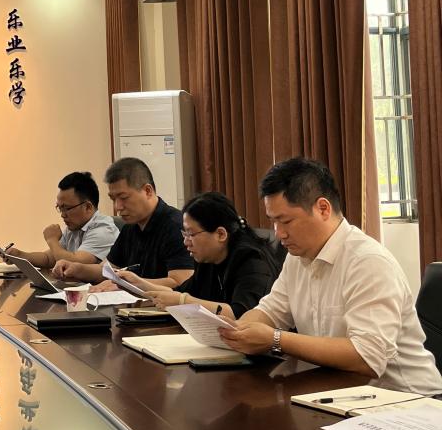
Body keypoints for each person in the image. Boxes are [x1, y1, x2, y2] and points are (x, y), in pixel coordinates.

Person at [219, 157, 442, 396]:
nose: (279, 233)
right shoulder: (297, 258)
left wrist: (276, 339)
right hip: (341, 393)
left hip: (407, 399)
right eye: (273, 222)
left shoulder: (367, 262)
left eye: (286, 221)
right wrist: (241, 330)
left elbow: (367, 358)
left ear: (323, 208)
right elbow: (271, 311)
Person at [119, 192, 281, 319]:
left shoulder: (252, 262)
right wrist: (138, 283)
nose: (186, 242)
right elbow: (177, 292)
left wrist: (183, 301)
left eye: (191, 234)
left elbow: (241, 314)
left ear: (221, 234)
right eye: (184, 234)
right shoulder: (208, 258)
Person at [52, 157, 194, 288]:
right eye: (113, 199)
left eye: (124, 198)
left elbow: (180, 282)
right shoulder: (130, 227)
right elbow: (107, 270)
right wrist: (76, 268)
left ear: (147, 191)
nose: (117, 207)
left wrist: (124, 284)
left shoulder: (176, 226)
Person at [4, 172, 118, 269]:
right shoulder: (75, 226)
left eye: (67, 208)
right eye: (60, 208)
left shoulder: (104, 230)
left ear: (88, 207)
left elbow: (74, 264)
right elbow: (49, 259)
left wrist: (52, 240)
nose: (63, 215)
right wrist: (19, 255)